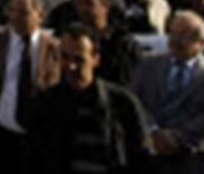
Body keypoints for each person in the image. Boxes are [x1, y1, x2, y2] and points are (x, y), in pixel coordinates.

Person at [24, 23, 150, 174]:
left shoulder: (122, 104)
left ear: (95, 59)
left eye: (79, 60)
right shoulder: (45, 105)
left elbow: (141, 157)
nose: (71, 66)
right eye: (65, 57)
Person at [131, 10, 204, 174]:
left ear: (201, 43)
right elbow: (134, 102)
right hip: (152, 155)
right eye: (172, 34)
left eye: (183, 36)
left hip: (200, 157)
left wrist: (177, 139)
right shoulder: (148, 65)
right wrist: (153, 131)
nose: (174, 41)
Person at [0, 0, 60, 174]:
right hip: (2, 137)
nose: (16, 18)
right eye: (12, 11)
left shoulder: (54, 49)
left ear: (40, 16)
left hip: (40, 140)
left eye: (24, 13)